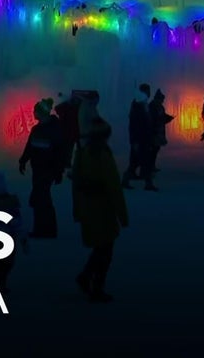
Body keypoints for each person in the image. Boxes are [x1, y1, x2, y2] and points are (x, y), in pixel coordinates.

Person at [72, 95, 127, 303]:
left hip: (88, 208)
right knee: (105, 250)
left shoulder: (82, 153)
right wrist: (122, 214)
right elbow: (113, 186)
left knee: (100, 248)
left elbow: (76, 183)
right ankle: (95, 286)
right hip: (102, 209)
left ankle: (86, 277)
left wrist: (77, 210)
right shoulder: (103, 155)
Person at [18, 98, 65, 238]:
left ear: (42, 113)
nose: (33, 113)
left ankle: (47, 229)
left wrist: (58, 171)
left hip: (48, 170)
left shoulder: (54, 130)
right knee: (40, 198)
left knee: (42, 198)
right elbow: (30, 147)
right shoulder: (37, 129)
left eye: (36, 111)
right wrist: (23, 160)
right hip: (38, 169)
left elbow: (60, 152)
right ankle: (43, 228)